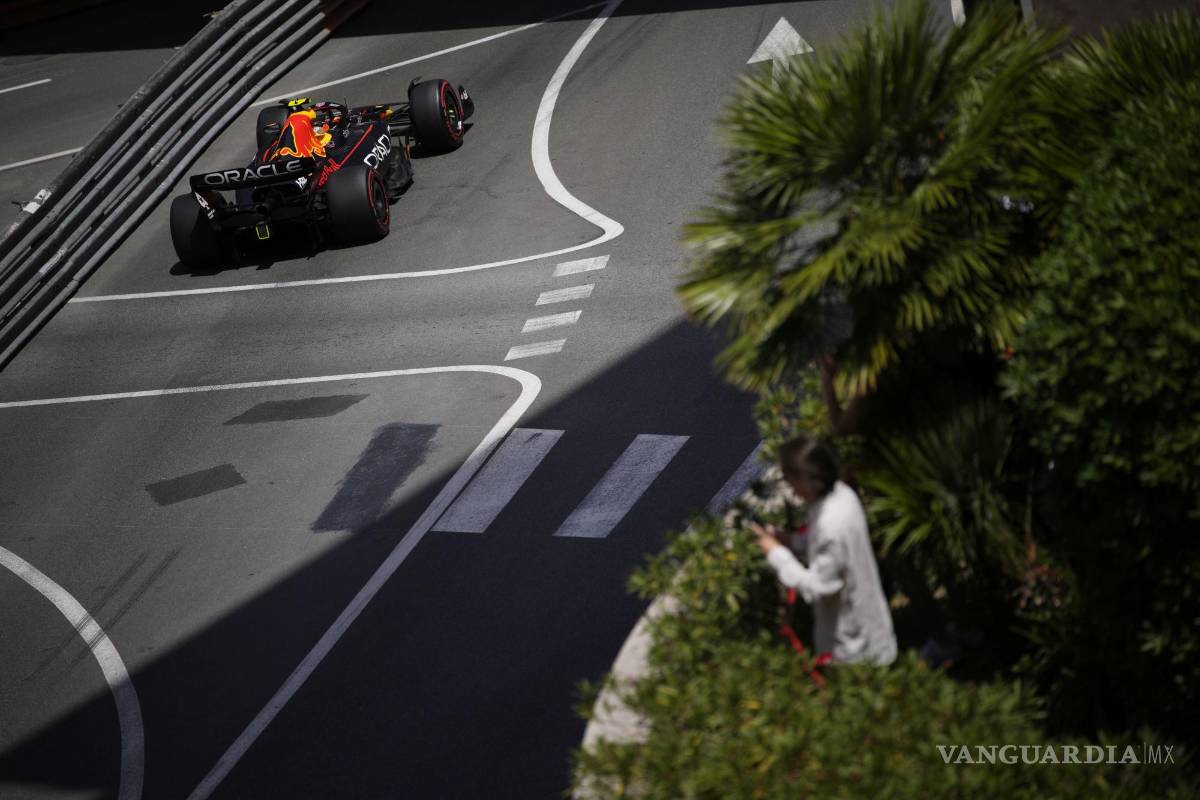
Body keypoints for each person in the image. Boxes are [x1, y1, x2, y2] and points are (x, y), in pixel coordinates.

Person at [749, 436, 897, 665]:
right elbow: (827, 546)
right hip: (869, 624)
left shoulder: (830, 525)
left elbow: (818, 587)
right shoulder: (841, 494)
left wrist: (776, 554)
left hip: (852, 648)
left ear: (804, 478)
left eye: (790, 480)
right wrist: (791, 541)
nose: (790, 488)